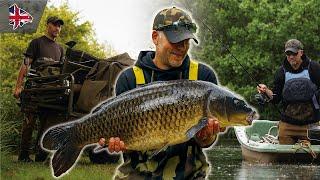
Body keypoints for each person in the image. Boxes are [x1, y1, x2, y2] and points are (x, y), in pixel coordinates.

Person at [107, 7, 220, 179]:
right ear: (155, 37)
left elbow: (206, 142)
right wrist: (117, 143)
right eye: (175, 40)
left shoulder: (203, 77)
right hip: (138, 174)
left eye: (186, 41)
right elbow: (125, 140)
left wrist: (206, 137)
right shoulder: (130, 78)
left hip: (188, 175)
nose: (182, 47)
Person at [14, 16, 65, 162]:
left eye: (59, 26)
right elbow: (25, 63)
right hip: (34, 90)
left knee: (47, 124)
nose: (57, 28)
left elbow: (62, 72)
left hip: (51, 93)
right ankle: (23, 156)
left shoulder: (60, 49)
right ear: (47, 25)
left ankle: (40, 155)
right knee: (29, 123)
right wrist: (18, 86)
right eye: (55, 25)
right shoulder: (37, 43)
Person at [257, 39, 320, 144]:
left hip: (311, 124)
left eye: (294, 53)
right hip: (288, 124)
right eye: (288, 53)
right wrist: (266, 90)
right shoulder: (281, 72)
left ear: (301, 53)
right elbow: (275, 98)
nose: (291, 57)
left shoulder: (314, 68)